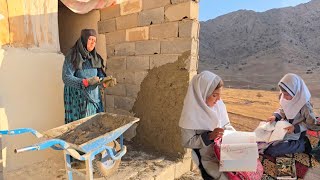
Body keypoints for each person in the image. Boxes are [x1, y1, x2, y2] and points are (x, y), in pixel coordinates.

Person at [179, 71, 235, 180]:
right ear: (202, 93)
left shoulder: (219, 106)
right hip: (207, 158)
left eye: (220, 95)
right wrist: (209, 136)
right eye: (214, 95)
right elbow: (186, 142)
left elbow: (227, 125)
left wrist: (235, 136)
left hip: (224, 153)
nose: (218, 99)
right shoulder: (190, 114)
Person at [264, 73, 318, 157]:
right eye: (283, 94)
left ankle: (302, 144)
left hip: (297, 132)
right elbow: (284, 109)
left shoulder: (305, 106)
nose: (284, 97)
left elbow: (310, 123)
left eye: (286, 95)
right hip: (285, 127)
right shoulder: (285, 97)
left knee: (272, 150)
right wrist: (275, 116)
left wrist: (295, 128)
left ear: (296, 92)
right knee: (267, 139)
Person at [62, 29, 110, 124]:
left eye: (95, 40)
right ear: (84, 40)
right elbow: (66, 77)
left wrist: (105, 82)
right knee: (80, 128)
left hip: (94, 97)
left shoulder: (96, 58)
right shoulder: (73, 56)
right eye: (90, 39)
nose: (93, 43)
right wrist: (85, 82)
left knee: (94, 125)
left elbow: (99, 76)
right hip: (77, 100)